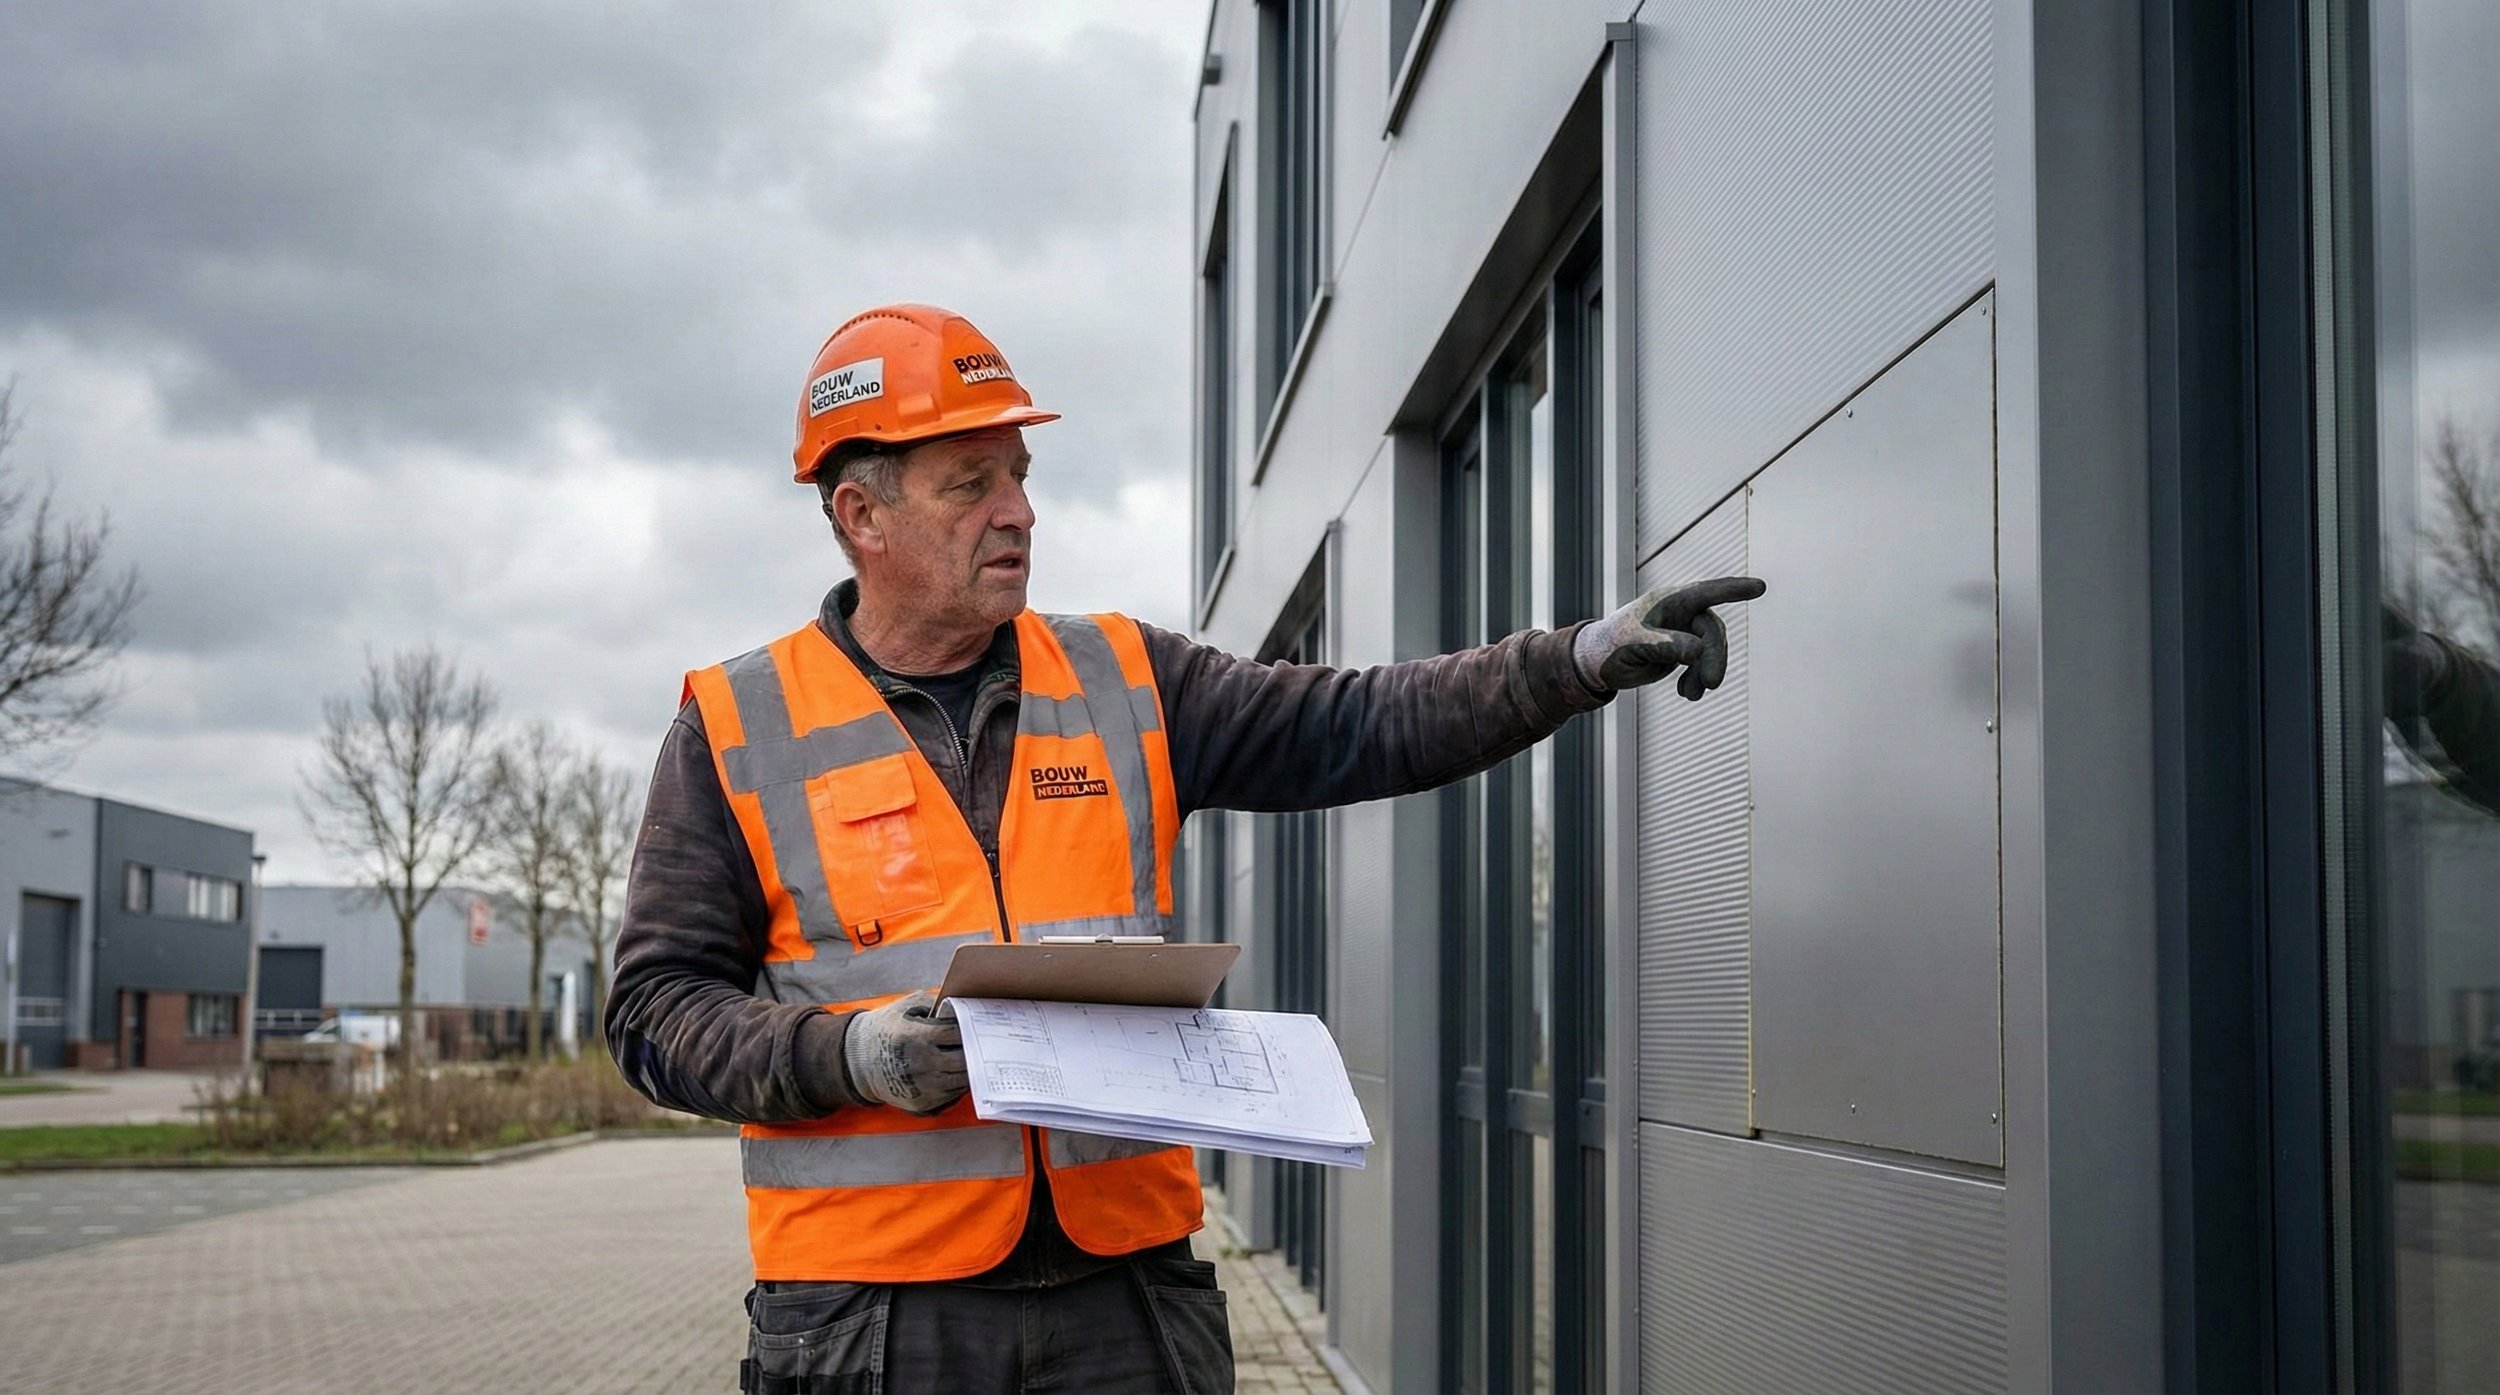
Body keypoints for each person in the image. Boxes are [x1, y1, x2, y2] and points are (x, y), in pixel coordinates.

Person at [604, 303, 1763, 1394]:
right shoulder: (737, 726)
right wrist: (845, 1056)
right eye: (970, 485)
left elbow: (1361, 721)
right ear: (862, 517)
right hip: (877, 1322)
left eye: (1018, 477)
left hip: (1127, 1303)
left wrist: (1572, 661)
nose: (1017, 511)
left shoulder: (1127, 677)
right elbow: (654, 1013)